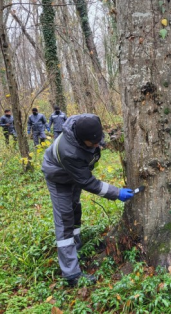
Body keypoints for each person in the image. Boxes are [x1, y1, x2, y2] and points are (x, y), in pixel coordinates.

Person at [41, 113, 134, 286]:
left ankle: (76, 249)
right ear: (81, 140)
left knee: (76, 209)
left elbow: (96, 142)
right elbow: (87, 182)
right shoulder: (69, 152)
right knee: (65, 218)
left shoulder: (90, 121)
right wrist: (116, 193)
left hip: (76, 173)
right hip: (58, 177)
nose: (98, 145)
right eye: (93, 143)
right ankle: (71, 274)